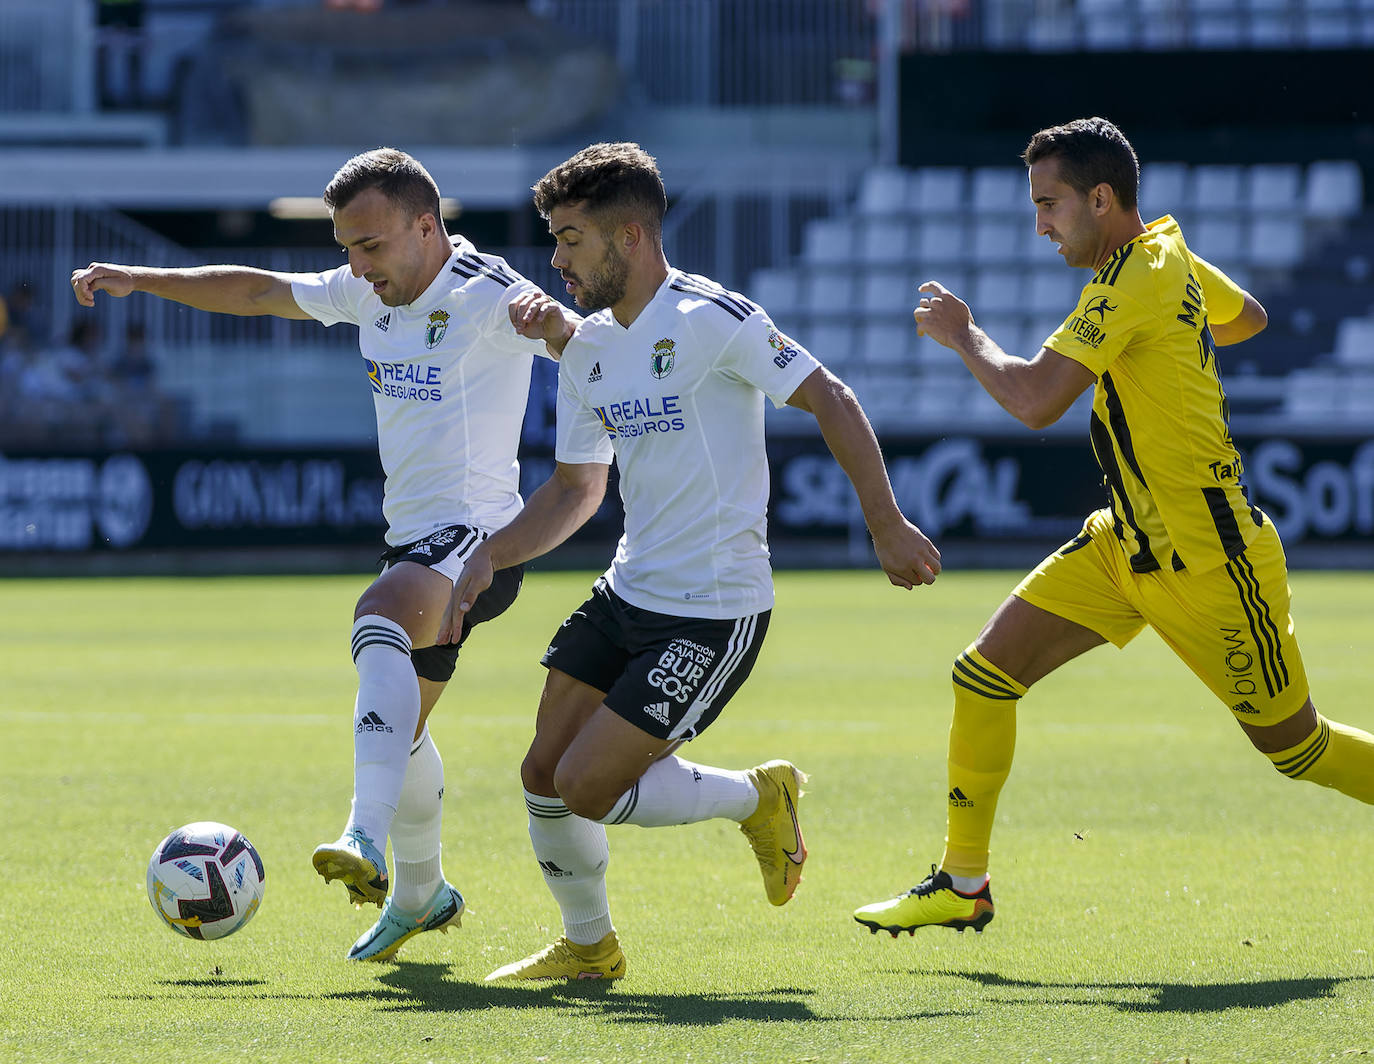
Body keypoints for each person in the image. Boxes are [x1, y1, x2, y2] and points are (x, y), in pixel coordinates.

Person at [852, 116, 1374, 938]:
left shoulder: (1136, 276)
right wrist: (1178, 337)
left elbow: (1033, 402)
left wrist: (965, 335)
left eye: (1050, 204)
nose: (1041, 225)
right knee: (984, 674)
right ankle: (962, 881)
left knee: (1296, 749)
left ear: (1102, 198)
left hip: (1213, 563)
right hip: (1124, 543)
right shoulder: (1164, 256)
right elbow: (1251, 318)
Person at [438, 141, 942, 981]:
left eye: (570, 240)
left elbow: (831, 395)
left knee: (588, 787)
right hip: (627, 589)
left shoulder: (713, 319)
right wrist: (489, 558)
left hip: (714, 608)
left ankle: (757, 797)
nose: (555, 260)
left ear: (629, 237)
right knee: (541, 771)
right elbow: (574, 490)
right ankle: (588, 946)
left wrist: (884, 523)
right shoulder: (589, 348)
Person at [71, 147, 577, 962]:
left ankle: (362, 835)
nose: (356, 263)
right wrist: (143, 277)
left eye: (370, 245)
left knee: (376, 619)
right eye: (346, 245)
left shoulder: (487, 293)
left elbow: (577, 343)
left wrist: (561, 331)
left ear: (425, 225)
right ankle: (422, 895)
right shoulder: (367, 289)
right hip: (415, 538)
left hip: (481, 540)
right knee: (401, 730)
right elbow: (264, 292)